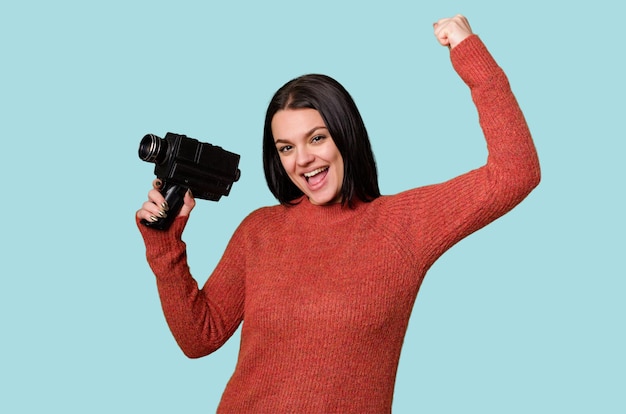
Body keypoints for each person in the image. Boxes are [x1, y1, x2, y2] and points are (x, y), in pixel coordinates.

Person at [136, 15, 540, 413]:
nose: (304, 159)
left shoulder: (402, 225)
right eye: (286, 147)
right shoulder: (259, 230)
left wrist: (472, 57)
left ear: (344, 135)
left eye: (316, 138)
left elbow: (515, 172)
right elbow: (200, 338)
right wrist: (164, 248)